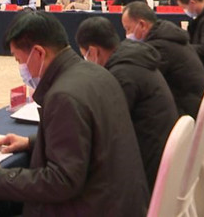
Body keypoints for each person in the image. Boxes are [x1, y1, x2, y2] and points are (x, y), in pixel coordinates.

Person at [0, 12, 148, 216]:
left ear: (38, 53)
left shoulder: (64, 96)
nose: (21, 68)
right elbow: (89, 138)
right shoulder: (98, 73)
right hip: (120, 201)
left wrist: (0, 178)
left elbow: (62, 181)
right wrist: (31, 142)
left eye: (19, 60)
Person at [76, 17, 178, 189]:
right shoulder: (131, 58)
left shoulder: (122, 75)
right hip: (160, 157)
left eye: (84, 55)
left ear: (93, 52)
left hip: (147, 173)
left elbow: (104, 131)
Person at [122, 2, 204, 118]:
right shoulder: (166, 35)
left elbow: (141, 83)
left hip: (187, 112)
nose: (127, 35)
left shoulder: (159, 48)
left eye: (128, 29)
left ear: (142, 25)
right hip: (195, 105)